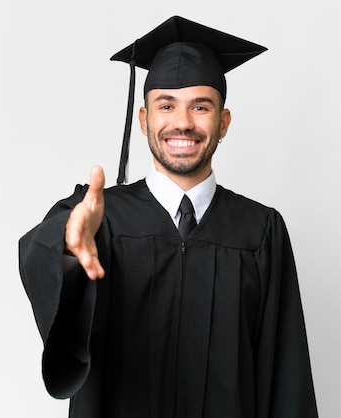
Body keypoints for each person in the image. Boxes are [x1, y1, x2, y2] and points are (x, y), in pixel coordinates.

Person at [19, 16, 318, 418]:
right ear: (144, 121)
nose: (182, 122)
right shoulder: (101, 220)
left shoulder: (260, 231)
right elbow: (52, 262)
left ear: (223, 123)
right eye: (166, 105)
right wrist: (68, 250)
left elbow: (287, 378)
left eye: (200, 106)